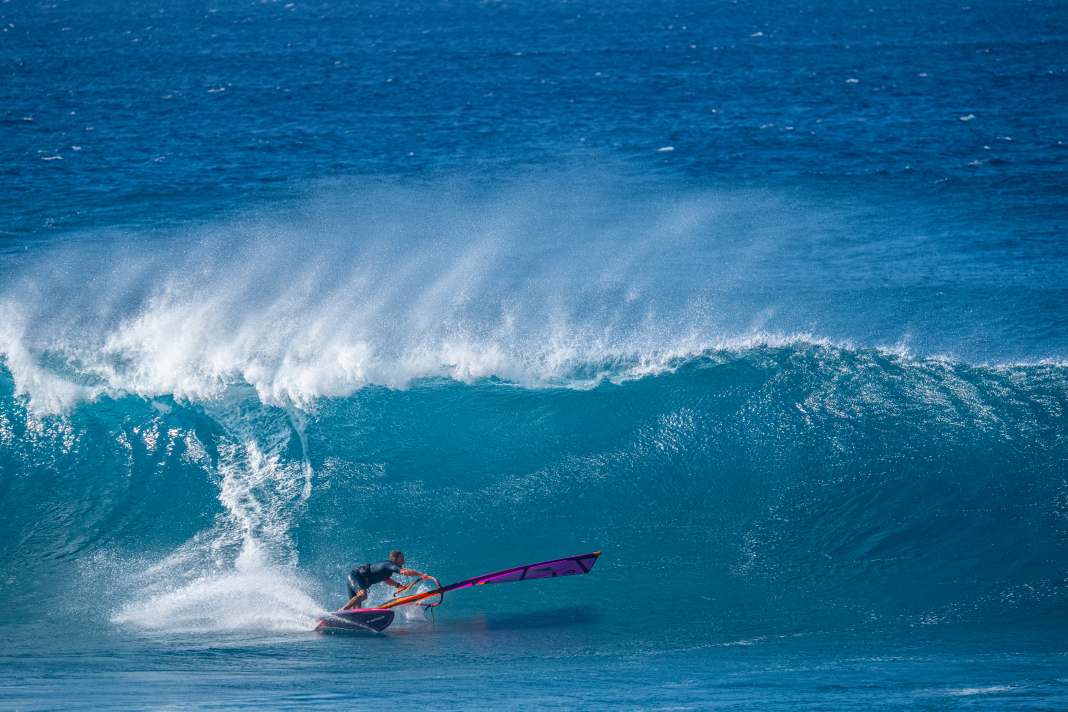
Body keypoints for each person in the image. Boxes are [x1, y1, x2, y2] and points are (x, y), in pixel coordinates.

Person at [344, 550, 432, 609]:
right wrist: (421, 574)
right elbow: (404, 571)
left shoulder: (387, 570)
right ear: (395, 559)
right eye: (401, 559)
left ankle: (345, 618)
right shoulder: (389, 565)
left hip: (356, 579)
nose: (403, 562)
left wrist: (399, 586)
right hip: (355, 577)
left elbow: (386, 579)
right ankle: (341, 611)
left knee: (356, 609)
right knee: (363, 595)